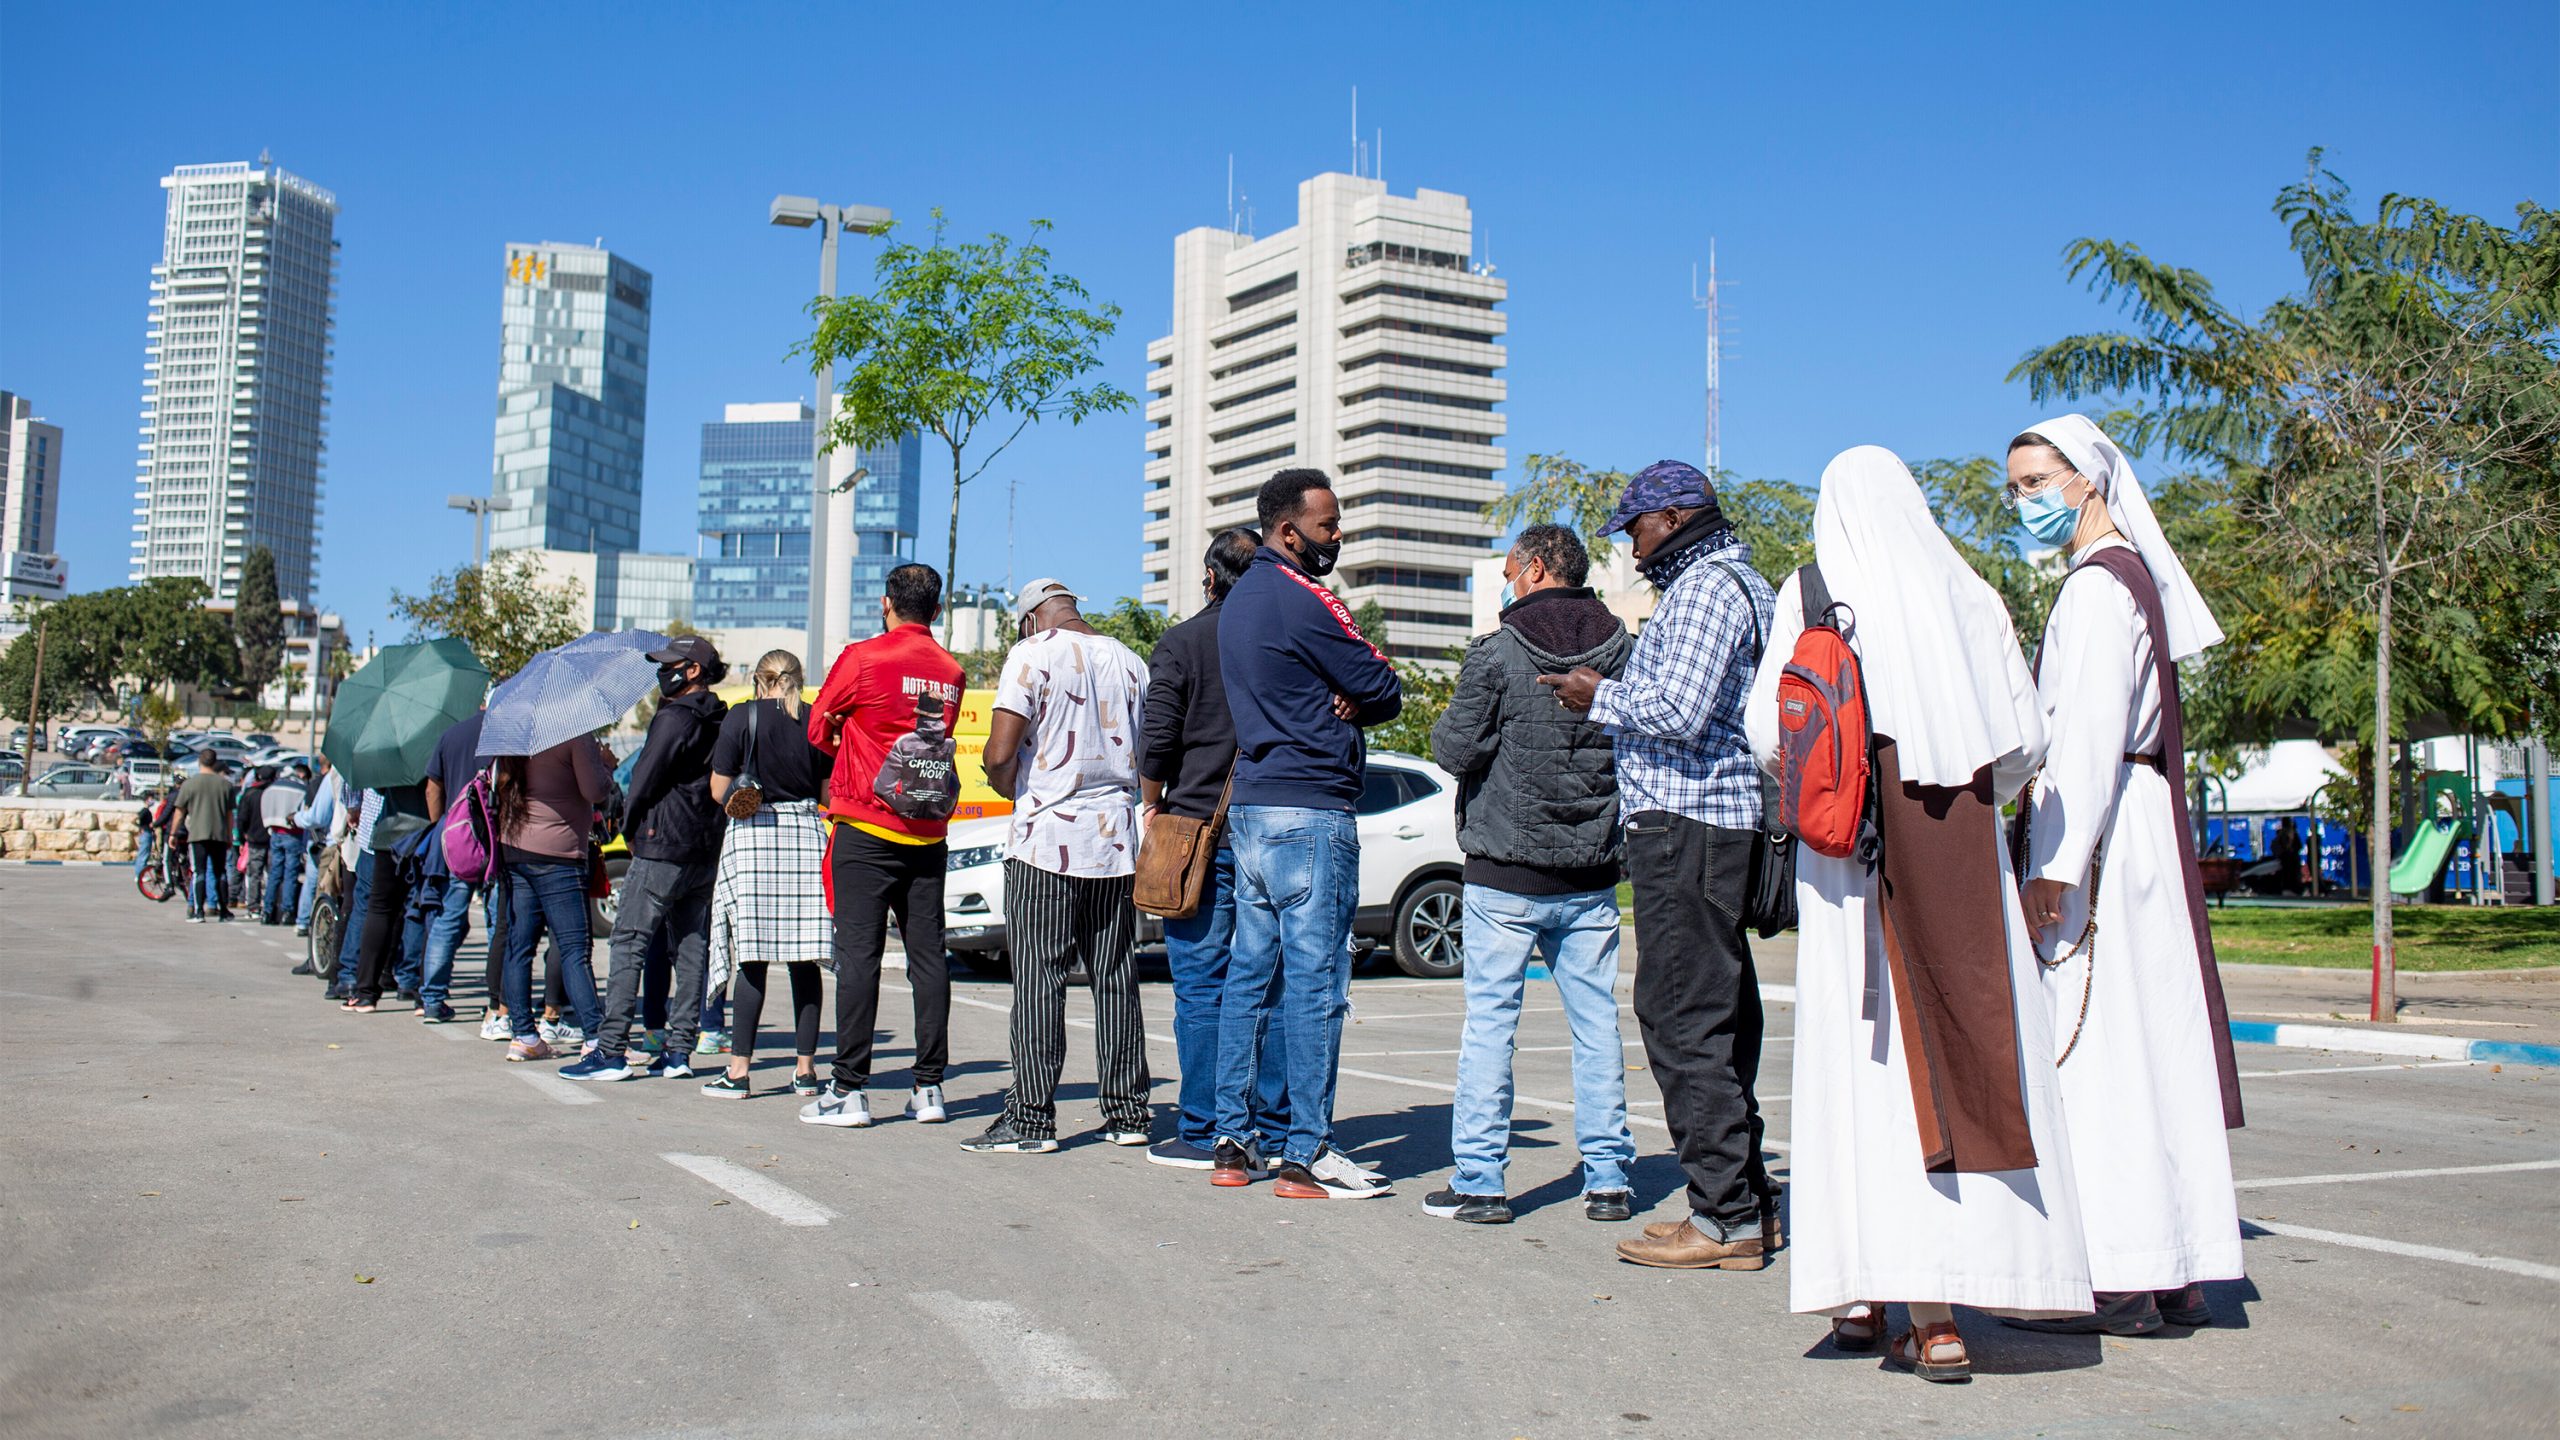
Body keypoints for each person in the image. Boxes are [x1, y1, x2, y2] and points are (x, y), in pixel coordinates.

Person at [1744, 444, 2093, 1380]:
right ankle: (1938, 1303)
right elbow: (2023, 739)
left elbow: (1769, 731)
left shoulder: (1812, 592)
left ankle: (1872, 1298)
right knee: (1952, 1055)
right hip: (1958, 857)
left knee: (1856, 1074)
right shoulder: (1970, 594)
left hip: (1847, 868)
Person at [2002, 415, 2245, 1337]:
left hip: (2099, 836)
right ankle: (2171, 1264)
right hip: (2126, 829)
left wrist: (2055, 867)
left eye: (2035, 482)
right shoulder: (2117, 578)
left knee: (2101, 1050)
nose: (2021, 501)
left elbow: (2090, 737)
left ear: (2087, 480)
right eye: (2014, 486)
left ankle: (2116, 1274)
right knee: (2147, 1046)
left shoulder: (2098, 592)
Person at [1540, 459, 1780, 1266]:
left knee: (1683, 1019)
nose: (1633, 546)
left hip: (1690, 824)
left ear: (1674, 517)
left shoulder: (1712, 588)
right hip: (1705, 826)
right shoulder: (1733, 583)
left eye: (1638, 528)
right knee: (1719, 1014)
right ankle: (1744, 1201)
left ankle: (1724, 1218)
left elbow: (1678, 708)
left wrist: (1593, 694)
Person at [1427, 522, 1638, 1225]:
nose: (1506, 582)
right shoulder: (1625, 649)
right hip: (1591, 873)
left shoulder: (1497, 653)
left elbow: (1454, 749)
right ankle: (1608, 1180)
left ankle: (1481, 1182)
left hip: (1503, 872)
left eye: (1511, 569)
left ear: (1537, 568)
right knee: (1596, 1027)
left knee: (1491, 1026)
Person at [1211, 468, 1402, 1198]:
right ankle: (1307, 1151)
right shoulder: (1304, 598)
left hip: (1254, 809)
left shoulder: (1239, 601)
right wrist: (1349, 694)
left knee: (1249, 979)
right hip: (1311, 809)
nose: (1338, 535)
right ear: (1288, 532)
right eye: (1328, 526)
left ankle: (1233, 1141)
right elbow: (1382, 687)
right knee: (1316, 985)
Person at [963, 579, 1155, 1155]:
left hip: (1045, 842)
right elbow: (1149, 755)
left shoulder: (1031, 654)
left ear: (1029, 620)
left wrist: (1009, 786)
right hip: (1117, 841)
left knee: (1039, 977)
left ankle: (1030, 1118)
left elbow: (998, 753)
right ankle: (1128, 1113)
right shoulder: (1130, 661)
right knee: (1116, 974)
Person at [1136, 527, 1289, 1171]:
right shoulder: (1285, 638)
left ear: (1208, 577)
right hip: (1275, 826)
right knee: (1275, 984)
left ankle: (1202, 1129)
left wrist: (1150, 806)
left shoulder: (1182, 643)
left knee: (1202, 985)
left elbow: (1158, 739)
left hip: (1195, 829)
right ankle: (1278, 1130)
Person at [800, 563, 966, 1129]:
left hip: (866, 828)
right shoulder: (951, 671)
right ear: (936, 611)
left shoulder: (863, 658)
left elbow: (817, 727)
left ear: (885, 604)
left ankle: (848, 1089)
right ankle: (929, 1088)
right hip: (928, 831)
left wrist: (851, 734)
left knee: (858, 959)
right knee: (928, 958)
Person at [566, 636, 728, 1080]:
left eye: (670, 665)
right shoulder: (720, 716)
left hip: (663, 841)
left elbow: (645, 777)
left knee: (629, 940)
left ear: (693, 669)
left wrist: (628, 825)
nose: (662, 672)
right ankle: (679, 1052)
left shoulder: (674, 717)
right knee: (692, 947)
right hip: (704, 842)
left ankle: (612, 1049)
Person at [701, 650, 835, 1099]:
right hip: (805, 836)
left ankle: (738, 1072)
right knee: (805, 957)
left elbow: (719, 789)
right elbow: (826, 795)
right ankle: (806, 1071)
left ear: (760, 681)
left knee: (751, 956)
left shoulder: (742, 717)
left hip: (756, 838)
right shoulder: (816, 720)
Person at [493, 732, 612, 1062]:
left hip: (515, 847)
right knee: (575, 949)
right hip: (558, 852)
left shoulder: (516, 734)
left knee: (520, 947)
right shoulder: (573, 732)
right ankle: (595, 1036)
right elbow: (595, 791)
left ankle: (524, 1035)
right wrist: (605, 765)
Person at [419, 706, 492, 1027]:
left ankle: (432, 998)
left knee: (448, 917)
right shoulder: (508, 735)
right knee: (498, 922)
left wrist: (442, 827)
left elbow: (432, 787)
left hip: (457, 835)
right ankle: (497, 1001)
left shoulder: (452, 734)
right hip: (495, 835)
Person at [344, 777, 431, 1013]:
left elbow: (379, 786)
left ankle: (366, 994)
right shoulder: (438, 743)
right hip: (427, 834)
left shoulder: (393, 745)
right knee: (424, 911)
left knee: (380, 909)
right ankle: (422, 993)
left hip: (390, 834)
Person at [173, 750, 237, 923]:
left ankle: (199, 911)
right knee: (220, 872)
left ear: (199, 762)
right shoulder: (225, 785)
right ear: (215, 763)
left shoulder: (190, 784)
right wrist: (230, 835)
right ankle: (224, 911)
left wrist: (173, 833)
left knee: (199, 872)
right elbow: (230, 815)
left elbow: (179, 811)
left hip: (197, 834)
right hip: (220, 834)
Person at [260, 762, 310, 926]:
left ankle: (267, 911)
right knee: (290, 874)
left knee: (275, 872)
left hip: (275, 833)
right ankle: (287, 912)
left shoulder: (272, 788)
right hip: (293, 834)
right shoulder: (301, 789)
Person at [233, 765, 274, 918]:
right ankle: (271, 905)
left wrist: (242, 838)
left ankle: (254, 907)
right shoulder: (272, 793)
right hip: (271, 838)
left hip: (254, 839)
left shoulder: (250, 794)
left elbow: (242, 818)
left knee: (254, 874)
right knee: (272, 874)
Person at [2272, 818, 2303, 896]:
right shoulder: (2285, 834)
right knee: (2289, 874)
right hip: (2288, 859)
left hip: (2289, 859)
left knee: (2290, 874)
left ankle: (2291, 888)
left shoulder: (2289, 834)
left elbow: (2298, 845)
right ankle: (2290, 888)